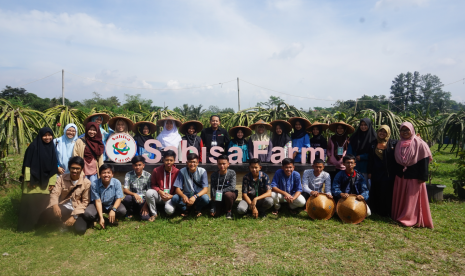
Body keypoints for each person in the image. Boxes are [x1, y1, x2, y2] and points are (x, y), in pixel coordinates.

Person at [391, 122, 433, 228]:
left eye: (407, 130)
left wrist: (422, 177)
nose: (404, 132)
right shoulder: (398, 144)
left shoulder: (420, 143)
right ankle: (400, 215)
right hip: (401, 177)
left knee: (412, 199)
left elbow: (424, 160)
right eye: (402, 130)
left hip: (414, 177)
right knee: (402, 198)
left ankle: (410, 218)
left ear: (412, 130)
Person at [17, 127, 58, 232]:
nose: (47, 137)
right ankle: (26, 227)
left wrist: (52, 182)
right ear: (40, 136)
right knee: (30, 204)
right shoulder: (33, 147)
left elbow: (53, 167)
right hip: (32, 182)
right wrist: (28, 180)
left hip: (45, 182)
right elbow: (27, 165)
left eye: (50, 135)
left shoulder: (51, 148)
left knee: (42, 204)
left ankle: (40, 225)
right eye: (45, 135)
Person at [39, 156, 91, 235]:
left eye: (77, 169)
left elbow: (85, 202)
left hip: (77, 210)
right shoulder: (61, 178)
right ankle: (61, 224)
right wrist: (55, 205)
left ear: (82, 169)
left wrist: (75, 216)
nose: (74, 171)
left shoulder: (86, 183)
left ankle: (70, 223)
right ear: (69, 168)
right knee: (49, 211)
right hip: (64, 207)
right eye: (72, 168)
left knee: (80, 230)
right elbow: (55, 193)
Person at [83, 164, 126, 228]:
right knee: (88, 213)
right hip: (98, 204)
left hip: (111, 204)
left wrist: (113, 209)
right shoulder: (94, 184)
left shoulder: (117, 182)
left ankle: (113, 216)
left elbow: (118, 198)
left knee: (122, 210)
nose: (106, 175)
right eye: (104, 173)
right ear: (99, 174)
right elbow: (98, 201)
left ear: (112, 174)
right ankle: (97, 218)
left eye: (108, 172)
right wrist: (101, 217)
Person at [367, 125, 398, 217]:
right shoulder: (373, 143)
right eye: (380, 131)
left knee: (387, 192)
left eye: (384, 132)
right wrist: (369, 172)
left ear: (388, 133)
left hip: (388, 173)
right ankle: (375, 210)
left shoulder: (393, 143)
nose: (382, 133)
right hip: (376, 171)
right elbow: (370, 159)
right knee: (376, 191)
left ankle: (386, 212)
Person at [171, 153, 210, 217]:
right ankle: (186, 208)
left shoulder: (202, 171)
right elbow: (177, 189)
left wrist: (195, 196)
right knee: (175, 198)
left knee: (206, 198)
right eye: (190, 162)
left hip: (198, 196)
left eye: (194, 162)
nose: (192, 164)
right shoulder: (182, 171)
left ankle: (197, 208)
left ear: (197, 163)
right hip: (186, 195)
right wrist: (183, 196)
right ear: (187, 163)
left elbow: (205, 189)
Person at [145, 150, 179, 220]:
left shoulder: (177, 172)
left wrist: (171, 196)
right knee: (149, 192)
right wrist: (160, 191)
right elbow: (153, 185)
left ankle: (167, 210)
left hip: (170, 197)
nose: (168, 162)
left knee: (169, 211)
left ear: (174, 160)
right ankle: (154, 214)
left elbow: (179, 188)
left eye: (171, 160)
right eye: (166, 160)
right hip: (160, 195)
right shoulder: (156, 170)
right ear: (163, 160)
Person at [347, 118, 377, 186]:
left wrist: (363, 157)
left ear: (369, 125)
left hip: (367, 168)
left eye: (365, 125)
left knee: (366, 188)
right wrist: (351, 161)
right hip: (355, 167)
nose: (363, 127)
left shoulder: (374, 138)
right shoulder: (354, 137)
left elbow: (375, 154)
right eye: (361, 125)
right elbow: (349, 152)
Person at [122, 156, 151, 220]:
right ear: (133, 166)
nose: (137, 167)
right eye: (135, 165)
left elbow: (149, 193)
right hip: (133, 198)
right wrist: (135, 194)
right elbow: (125, 190)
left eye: (139, 165)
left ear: (143, 165)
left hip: (143, 200)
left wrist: (145, 205)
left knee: (145, 218)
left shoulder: (148, 175)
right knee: (127, 199)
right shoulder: (128, 174)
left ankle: (140, 210)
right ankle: (131, 211)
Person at [210, 155, 237, 219]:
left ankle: (229, 211)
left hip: (229, 194)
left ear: (228, 164)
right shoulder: (214, 175)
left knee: (228, 194)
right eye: (220, 164)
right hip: (218, 197)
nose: (222, 166)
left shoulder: (232, 173)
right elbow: (212, 189)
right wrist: (213, 207)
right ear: (217, 164)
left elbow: (232, 187)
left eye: (224, 164)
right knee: (216, 214)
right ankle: (221, 208)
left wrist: (220, 192)